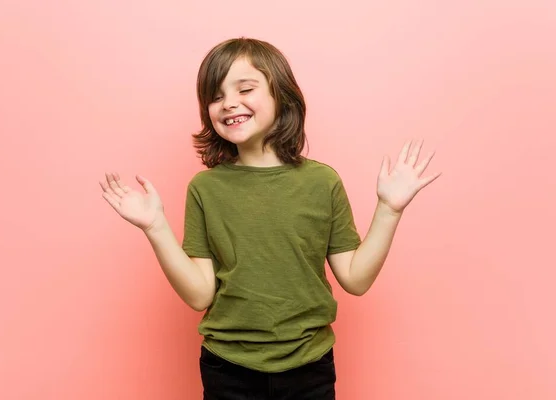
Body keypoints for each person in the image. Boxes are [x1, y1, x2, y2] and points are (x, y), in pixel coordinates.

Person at [100, 37, 441, 400]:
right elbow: (200, 295)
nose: (228, 102)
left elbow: (356, 278)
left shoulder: (322, 182)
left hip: (310, 364)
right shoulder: (204, 189)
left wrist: (389, 210)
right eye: (215, 96)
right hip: (226, 366)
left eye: (245, 88)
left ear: (282, 96)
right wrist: (155, 227)